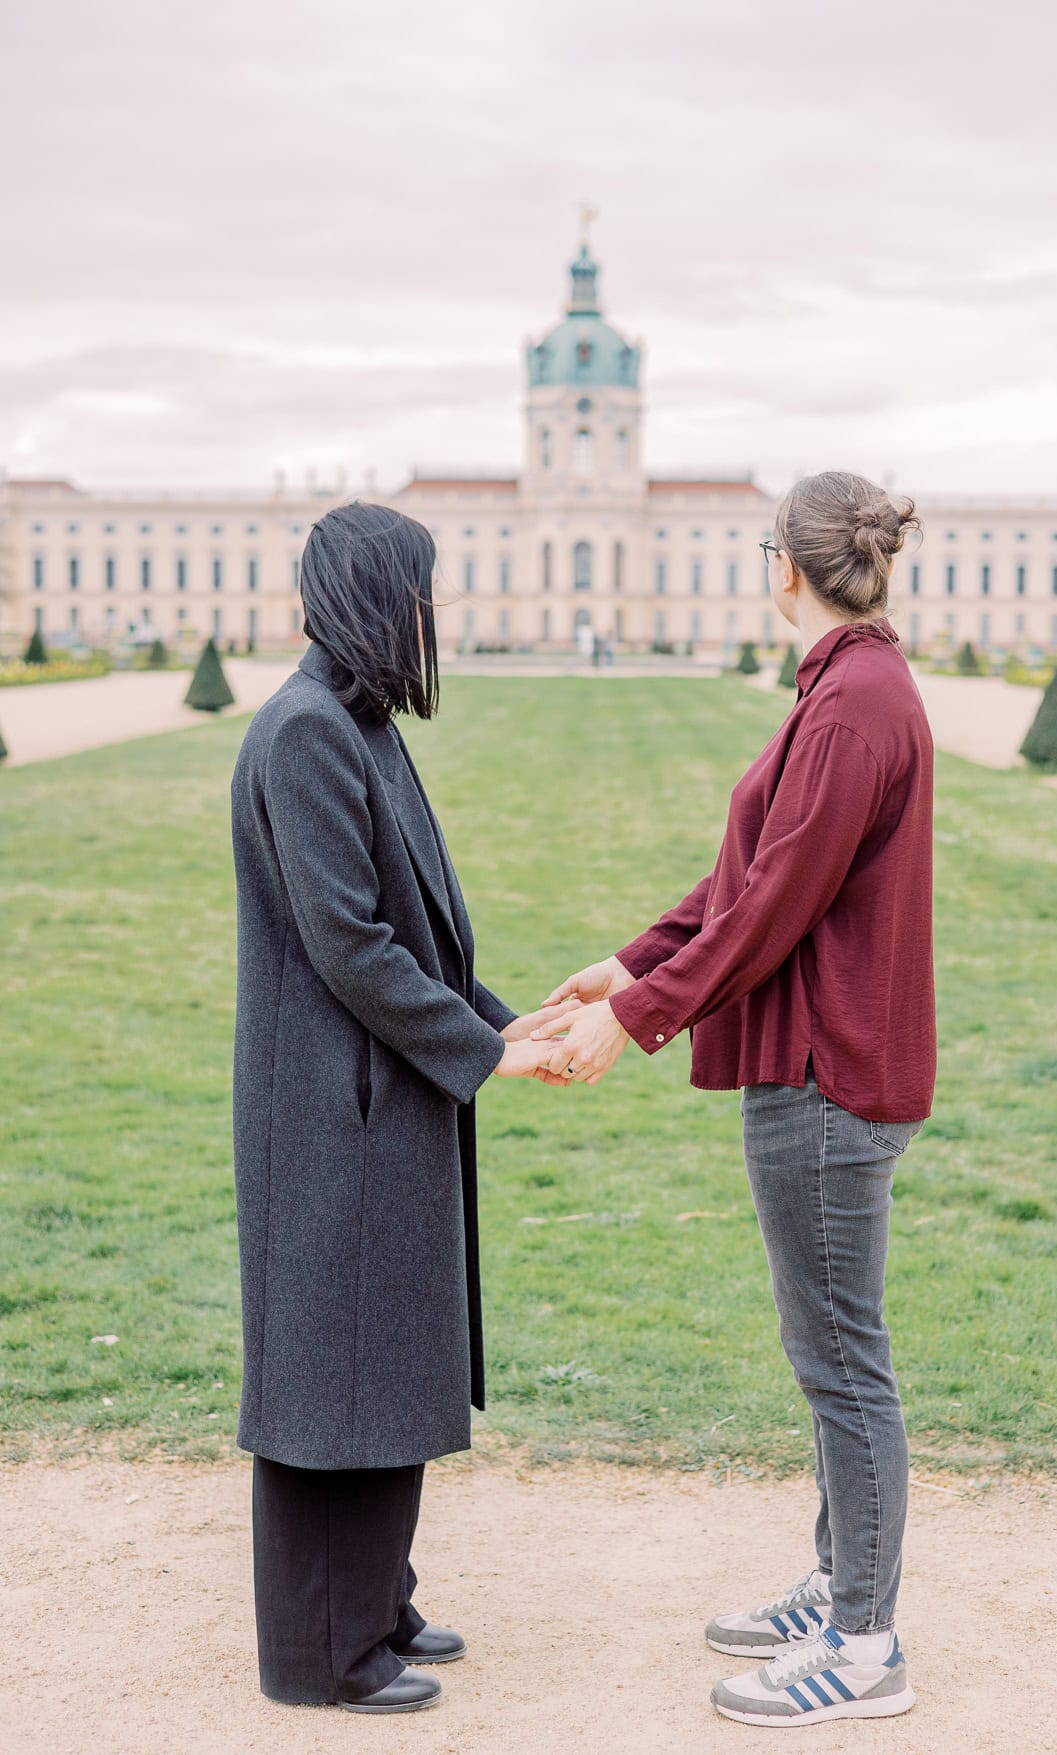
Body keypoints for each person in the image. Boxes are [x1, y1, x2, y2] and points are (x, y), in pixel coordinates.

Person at [535, 470, 935, 1727]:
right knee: (829, 1355)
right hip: (823, 1062)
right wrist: (635, 960)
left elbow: (772, 907)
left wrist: (632, 1019)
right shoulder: (848, 688)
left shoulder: (852, 704)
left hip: (827, 1074)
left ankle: (863, 1649)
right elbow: (752, 874)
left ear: (784, 568)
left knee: (842, 1366)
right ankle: (838, 1584)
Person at [231, 502, 571, 1714]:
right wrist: (487, 1050)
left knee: (384, 1359)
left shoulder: (355, 721)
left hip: (371, 1100)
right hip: (336, 1111)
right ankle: (325, 1655)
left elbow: (416, 929)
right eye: (426, 591)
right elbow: (354, 949)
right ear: (384, 597)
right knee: (338, 1377)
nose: (440, 614)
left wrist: (503, 1015)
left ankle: (373, 1602)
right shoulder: (309, 732)